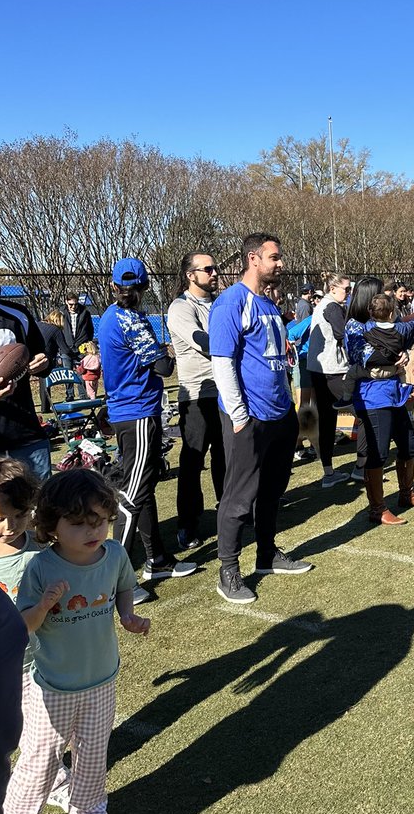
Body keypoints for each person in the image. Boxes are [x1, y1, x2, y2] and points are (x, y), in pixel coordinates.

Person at [0, 470, 150, 814]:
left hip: (101, 682)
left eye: (99, 520)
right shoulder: (40, 568)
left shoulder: (115, 553)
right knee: (39, 764)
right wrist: (44, 606)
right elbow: (22, 626)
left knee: (92, 758)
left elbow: (122, 585)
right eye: (78, 523)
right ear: (51, 525)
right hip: (50, 687)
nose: (92, 530)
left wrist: (128, 615)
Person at [0, 445, 83, 814]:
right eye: (2, 516)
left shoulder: (38, 555)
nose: (11, 526)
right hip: (10, 665)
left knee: (43, 737)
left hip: (37, 663)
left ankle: (57, 784)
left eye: (21, 515)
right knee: (25, 743)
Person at [210, 234, 313, 604]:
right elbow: (222, 362)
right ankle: (228, 570)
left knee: (273, 490)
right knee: (238, 498)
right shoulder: (230, 302)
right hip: (249, 417)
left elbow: (275, 359)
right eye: (275, 257)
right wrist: (238, 415)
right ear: (253, 259)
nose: (281, 263)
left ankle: (266, 554)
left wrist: (287, 405)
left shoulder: (267, 303)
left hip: (278, 414)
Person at [99, 258, 195, 604]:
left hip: (134, 409)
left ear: (114, 286)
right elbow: (165, 366)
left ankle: (157, 559)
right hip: (136, 412)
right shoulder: (130, 321)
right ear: (144, 288)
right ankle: (113, 580)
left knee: (146, 487)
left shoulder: (111, 315)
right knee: (133, 494)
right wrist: (164, 350)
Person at [345, 286, 414, 523]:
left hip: (394, 392)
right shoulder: (355, 326)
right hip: (373, 396)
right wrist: (396, 353)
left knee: (409, 445)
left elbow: (407, 334)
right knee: (379, 453)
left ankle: (407, 494)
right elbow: (365, 357)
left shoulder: (390, 327)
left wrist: (402, 351)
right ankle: (377, 508)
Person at [167, 251, 226, 552]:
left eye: (216, 268)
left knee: (225, 458)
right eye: (209, 269)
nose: (215, 273)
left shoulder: (218, 304)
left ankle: (228, 514)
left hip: (225, 393)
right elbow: (202, 341)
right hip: (196, 397)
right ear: (191, 275)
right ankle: (187, 523)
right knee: (193, 462)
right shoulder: (180, 307)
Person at [0, 240, 52, 482]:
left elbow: (42, 359)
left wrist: (43, 364)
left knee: (40, 508)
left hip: (25, 431)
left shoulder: (17, 314)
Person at [306, 274, 356, 489]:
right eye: (346, 289)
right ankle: (364, 467)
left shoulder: (324, 306)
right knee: (362, 412)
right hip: (332, 370)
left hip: (319, 369)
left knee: (327, 420)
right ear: (333, 288)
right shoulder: (332, 307)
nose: (349, 293)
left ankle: (328, 472)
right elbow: (342, 335)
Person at [36, 310, 73, 413]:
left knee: (42, 382)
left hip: (32, 354)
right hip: (45, 357)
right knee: (44, 379)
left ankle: (44, 407)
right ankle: (45, 407)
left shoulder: (38, 324)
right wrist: (76, 355)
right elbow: (65, 349)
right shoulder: (55, 330)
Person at [61, 295, 94, 365]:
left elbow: (90, 329)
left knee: (82, 373)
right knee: (67, 373)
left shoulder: (85, 313)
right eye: (71, 304)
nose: (73, 307)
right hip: (66, 348)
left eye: (75, 304)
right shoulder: (61, 313)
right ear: (66, 302)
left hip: (81, 348)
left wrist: (87, 342)